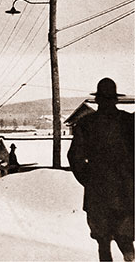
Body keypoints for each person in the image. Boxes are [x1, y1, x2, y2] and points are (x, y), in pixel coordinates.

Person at [67, 78, 134, 261]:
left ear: (97, 101)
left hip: (98, 192)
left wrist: (88, 179)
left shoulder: (85, 124)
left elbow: (74, 157)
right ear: (116, 100)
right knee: (126, 238)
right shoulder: (129, 122)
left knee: (103, 242)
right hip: (127, 191)